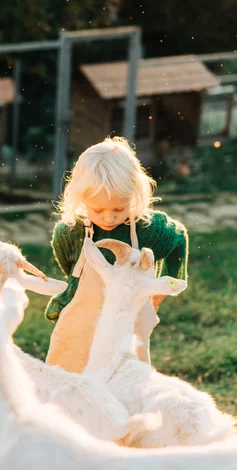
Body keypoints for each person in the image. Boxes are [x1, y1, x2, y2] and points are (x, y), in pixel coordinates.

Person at [45, 136, 188, 373]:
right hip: (82, 327)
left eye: (119, 209)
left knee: (124, 385)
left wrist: (167, 283)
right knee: (70, 382)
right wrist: (72, 295)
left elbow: (179, 238)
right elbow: (70, 269)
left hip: (126, 327)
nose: (109, 218)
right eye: (98, 209)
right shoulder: (69, 234)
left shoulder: (150, 230)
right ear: (81, 199)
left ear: (134, 195)